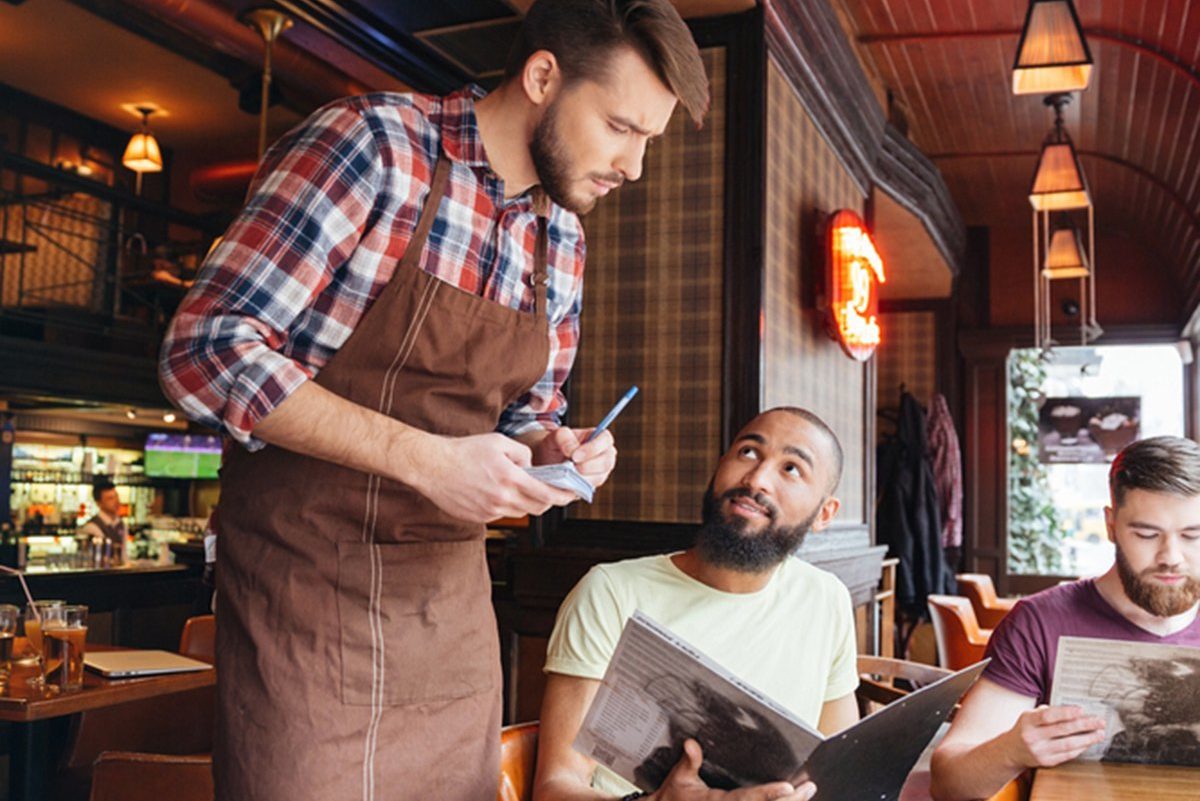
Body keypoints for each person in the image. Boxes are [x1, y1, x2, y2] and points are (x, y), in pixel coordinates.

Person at [156, 1, 708, 799]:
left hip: (447, 619)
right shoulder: (374, 149)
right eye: (622, 126)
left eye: (648, 140)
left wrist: (553, 450)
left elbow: (525, 415)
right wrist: (424, 459)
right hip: (302, 608)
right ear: (543, 76)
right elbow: (203, 351)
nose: (635, 165)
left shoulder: (563, 237)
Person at [533, 408, 860, 801]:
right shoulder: (611, 592)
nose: (756, 479)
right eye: (748, 453)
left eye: (791, 469)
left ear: (824, 513)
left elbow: (838, 777)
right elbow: (554, 788)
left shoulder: (826, 598)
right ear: (720, 465)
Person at [930, 435, 1200, 801]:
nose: (1172, 556)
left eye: (1192, 536)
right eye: (1147, 534)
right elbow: (948, 782)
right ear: (1110, 525)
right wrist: (1010, 750)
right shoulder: (1040, 622)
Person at [78, 480, 128, 564]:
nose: (116, 501)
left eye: (116, 496)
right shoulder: (92, 527)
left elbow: (124, 555)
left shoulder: (121, 524)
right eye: (110, 498)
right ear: (99, 503)